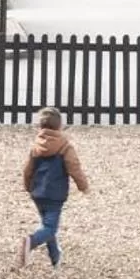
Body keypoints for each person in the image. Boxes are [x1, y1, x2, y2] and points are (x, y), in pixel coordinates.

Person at [16, 107, 90, 270]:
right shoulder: (64, 147)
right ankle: (31, 241)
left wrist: (28, 186)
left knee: (47, 224)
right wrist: (83, 185)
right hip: (55, 193)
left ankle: (55, 257)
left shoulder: (36, 147)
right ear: (59, 126)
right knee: (50, 227)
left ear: (40, 127)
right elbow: (74, 167)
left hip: (38, 192)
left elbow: (28, 169)